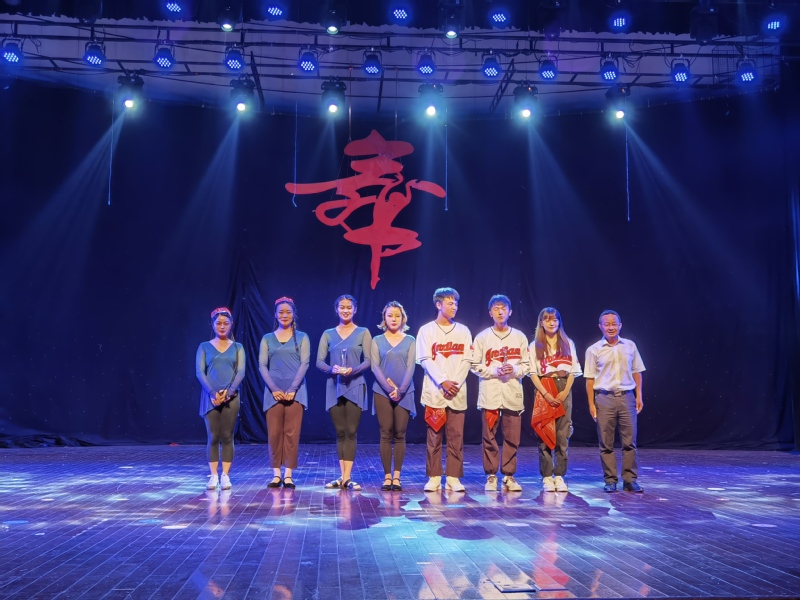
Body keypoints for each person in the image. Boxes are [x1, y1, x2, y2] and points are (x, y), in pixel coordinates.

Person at [471, 295, 530, 492]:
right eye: (496, 308)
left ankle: (509, 475)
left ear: (510, 311)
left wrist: (514, 369)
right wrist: (494, 371)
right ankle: (491, 475)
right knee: (489, 437)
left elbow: (527, 365)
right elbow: (474, 365)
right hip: (490, 393)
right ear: (490, 313)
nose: (500, 311)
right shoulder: (482, 337)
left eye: (503, 308)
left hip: (512, 392)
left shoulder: (520, 337)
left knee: (512, 437)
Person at [416, 287, 472, 492]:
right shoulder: (426, 330)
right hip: (435, 391)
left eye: (456, 303)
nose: (454, 306)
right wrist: (442, 382)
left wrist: (453, 383)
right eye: (450, 303)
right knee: (434, 436)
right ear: (439, 305)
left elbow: (467, 360)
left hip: (457, 391)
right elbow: (425, 360)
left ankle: (453, 477)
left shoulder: (463, 331)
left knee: (456, 436)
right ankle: (434, 476)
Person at [584, 310, 646, 493]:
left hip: (627, 397)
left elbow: (637, 372)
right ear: (600, 327)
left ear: (620, 325)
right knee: (606, 443)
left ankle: (630, 480)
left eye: (614, 323)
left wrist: (639, 395)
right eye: (607, 324)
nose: (610, 327)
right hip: (604, 398)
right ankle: (610, 480)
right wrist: (591, 404)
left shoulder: (630, 346)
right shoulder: (593, 350)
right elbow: (589, 379)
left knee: (630, 441)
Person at [317, 294, 372, 491]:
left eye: (349, 307)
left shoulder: (363, 332)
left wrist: (353, 370)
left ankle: (347, 477)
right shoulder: (328, 334)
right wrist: (332, 369)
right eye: (342, 307)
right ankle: (343, 476)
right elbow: (319, 362)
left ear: (355, 309)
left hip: (355, 385)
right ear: (336, 309)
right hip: (334, 386)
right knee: (340, 432)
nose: (346, 310)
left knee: (351, 431)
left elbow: (369, 360)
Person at [259, 297, 310, 490]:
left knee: (292, 433)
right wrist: (274, 389)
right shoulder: (267, 338)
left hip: (296, 392)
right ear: (275, 314)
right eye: (281, 312)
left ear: (294, 314)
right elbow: (262, 365)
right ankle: (276, 474)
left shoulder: (302, 337)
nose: (284, 315)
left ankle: (288, 474)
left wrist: (292, 389)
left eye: (288, 312)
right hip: (273, 393)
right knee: (274, 433)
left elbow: (305, 363)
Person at [529, 307, 582, 493]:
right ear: (541, 322)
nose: (551, 323)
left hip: (563, 387)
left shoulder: (568, 343)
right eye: (547, 319)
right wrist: (545, 394)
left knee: (562, 434)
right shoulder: (534, 345)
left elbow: (573, 371)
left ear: (559, 322)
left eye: (555, 319)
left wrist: (565, 392)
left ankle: (559, 475)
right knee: (544, 431)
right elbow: (533, 373)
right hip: (544, 387)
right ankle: (546, 476)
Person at [195, 307, 246, 491]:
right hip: (210, 398)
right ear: (213, 324)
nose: (222, 326)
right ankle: (213, 475)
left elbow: (241, 371)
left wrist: (229, 392)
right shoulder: (204, 346)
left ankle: (225, 475)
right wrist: (212, 393)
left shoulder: (238, 347)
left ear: (231, 324)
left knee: (227, 435)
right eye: (218, 323)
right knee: (213, 435)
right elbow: (200, 372)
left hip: (231, 398)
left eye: (226, 323)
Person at [371, 301, 416, 492]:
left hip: (405, 392)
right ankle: (387, 476)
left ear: (403, 318)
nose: (394, 319)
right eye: (390, 315)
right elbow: (375, 366)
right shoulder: (377, 340)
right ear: (384, 318)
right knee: (385, 432)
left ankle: (397, 476)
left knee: (400, 434)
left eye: (397, 315)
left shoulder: (410, 340)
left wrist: (401, 389)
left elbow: (411, 367)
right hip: (382, 392)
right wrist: (390, 389)